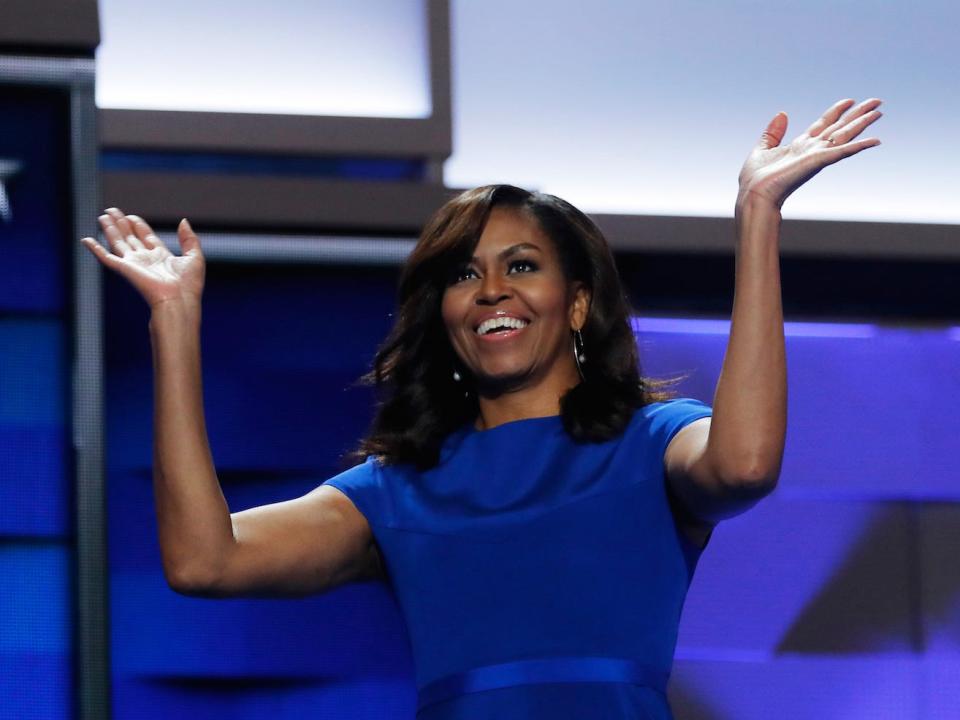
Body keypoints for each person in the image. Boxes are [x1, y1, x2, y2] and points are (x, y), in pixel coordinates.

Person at [81, 98, 882, 719]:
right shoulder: (398, 489)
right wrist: (175, 326)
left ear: (575, 305)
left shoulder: (650, 444)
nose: (491, 288)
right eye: (463, 275)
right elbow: (202, 562)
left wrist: (757, 215)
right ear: (444, 313)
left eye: (521, 264)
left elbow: (744, 464)